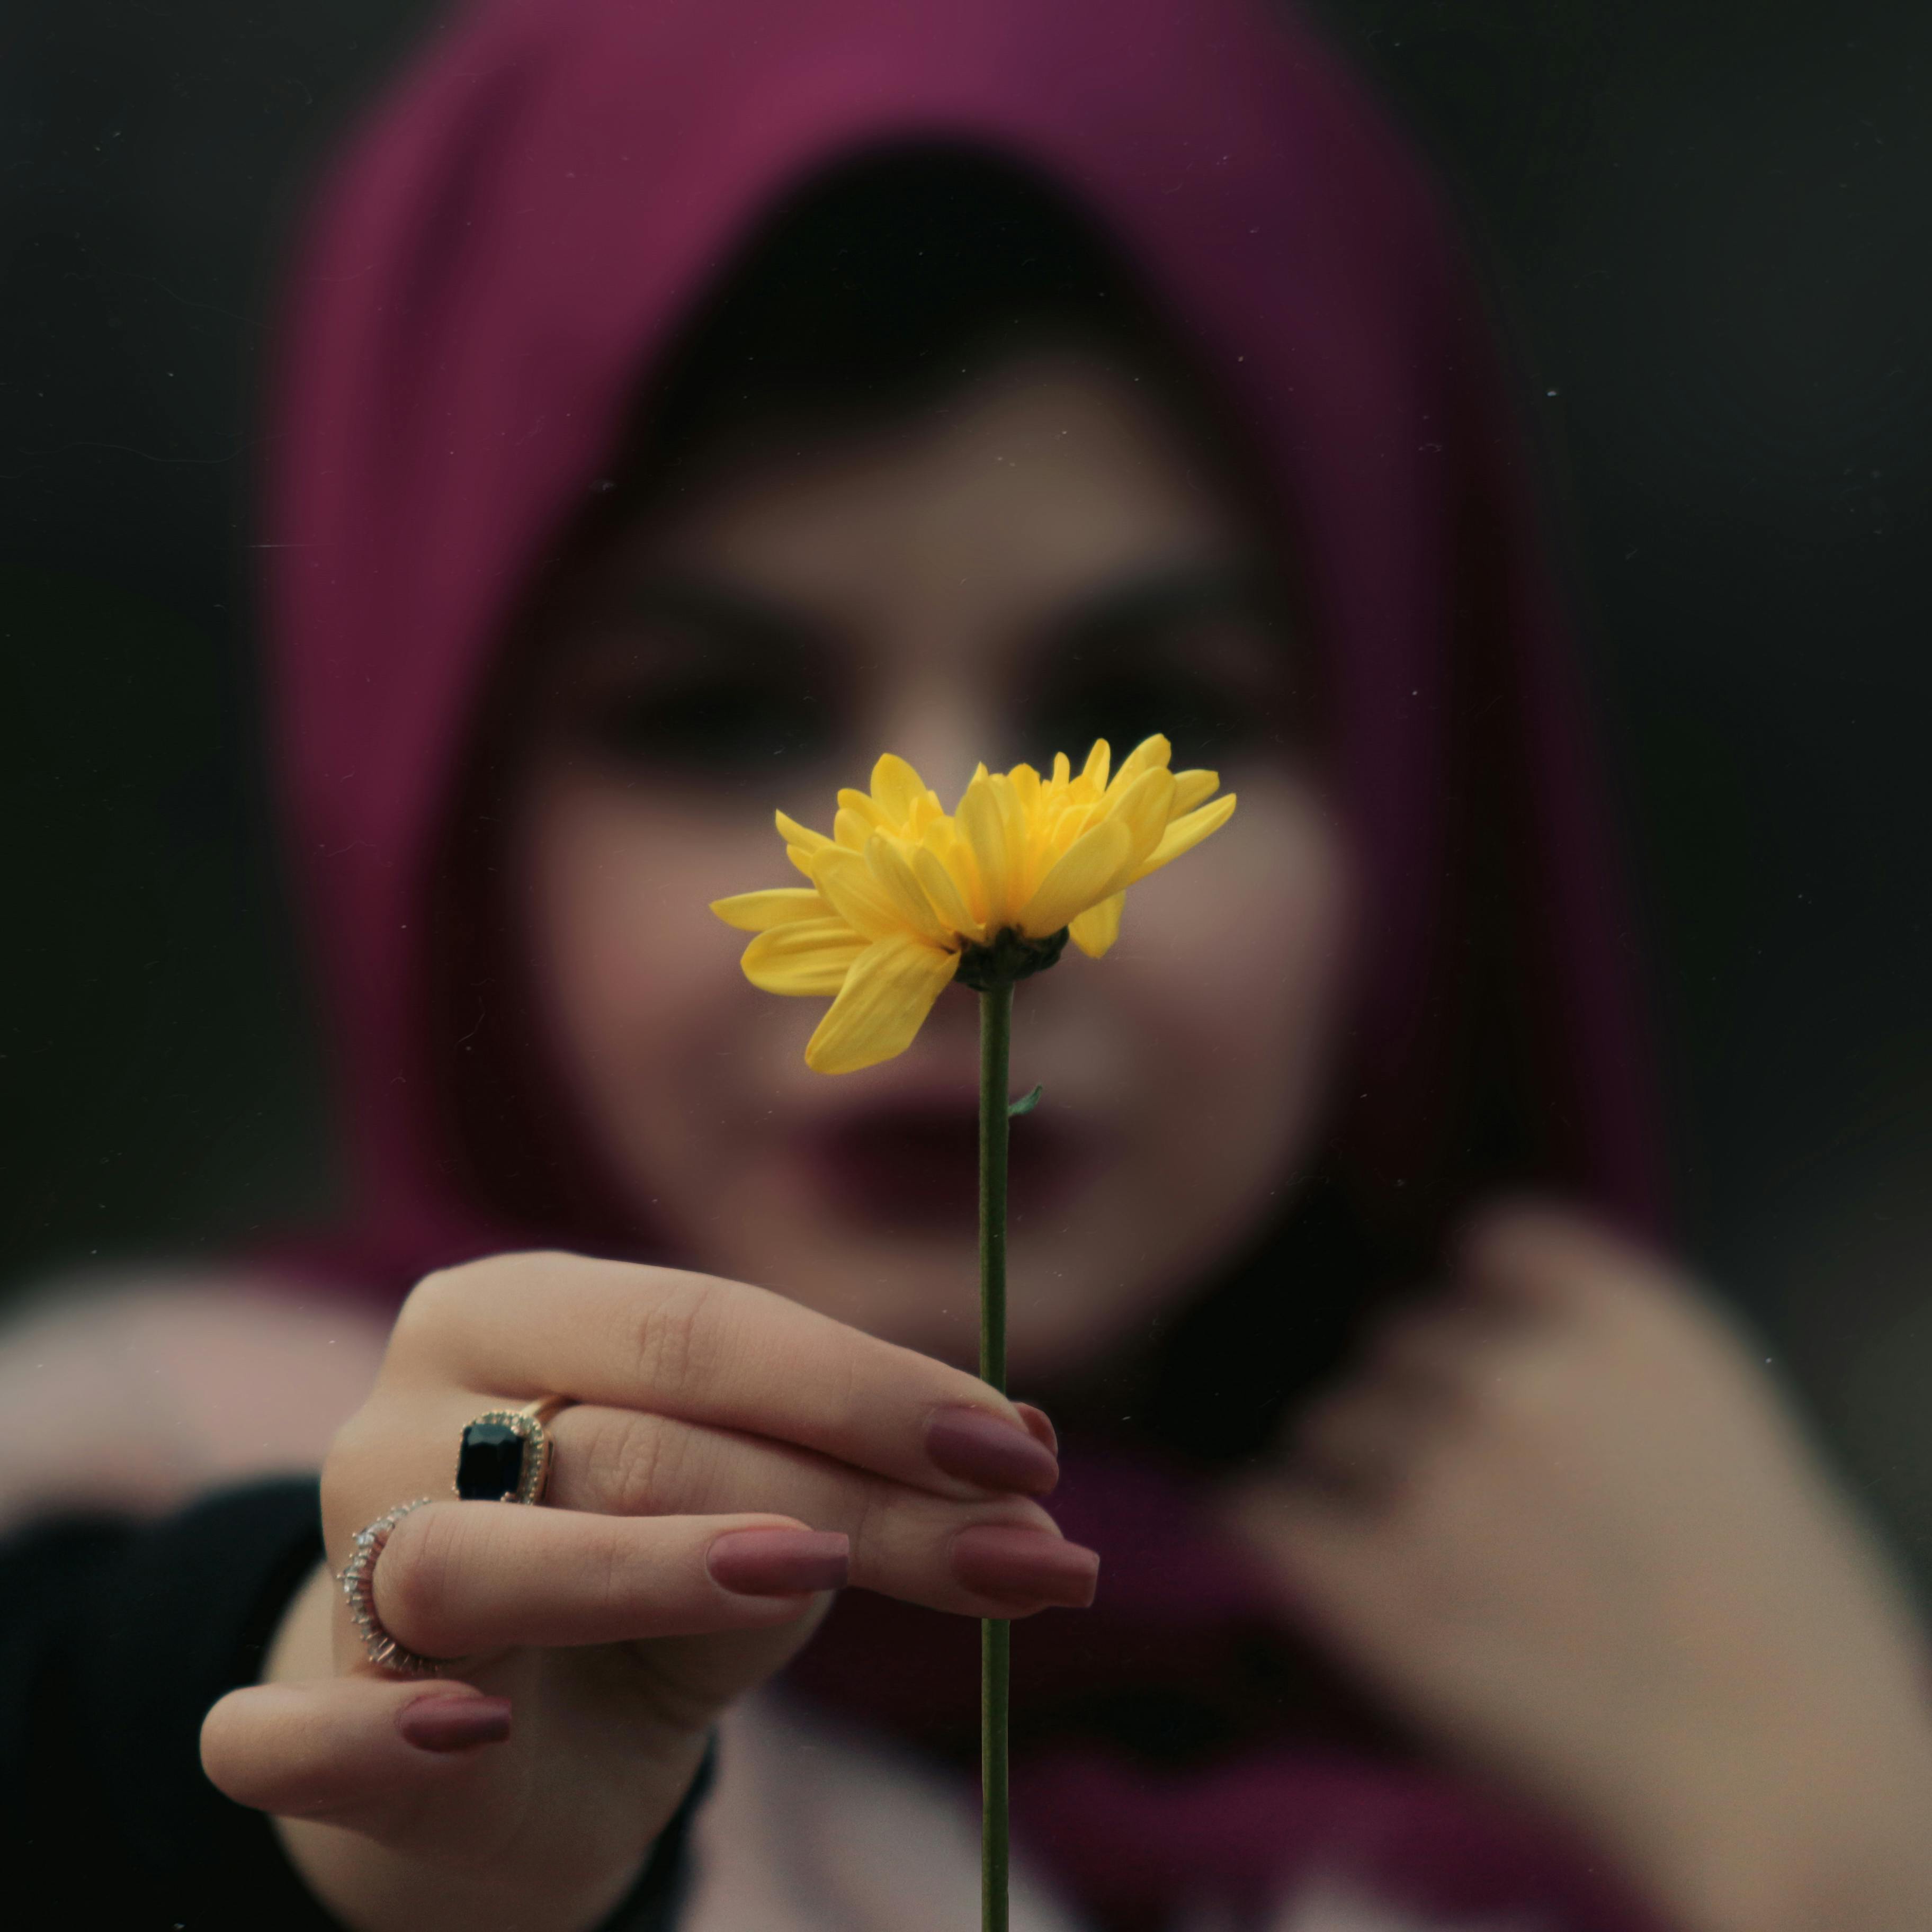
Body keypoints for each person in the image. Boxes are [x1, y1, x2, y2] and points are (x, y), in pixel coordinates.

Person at [6, 0, 1932, 1927]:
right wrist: (351, 1730)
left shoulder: (1673, 1608)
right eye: (718, 713)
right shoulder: (136, 1487)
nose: (942, 893)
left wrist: (1844, 1836)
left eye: (1149, 713)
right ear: (435, 803)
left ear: (1424, 814)